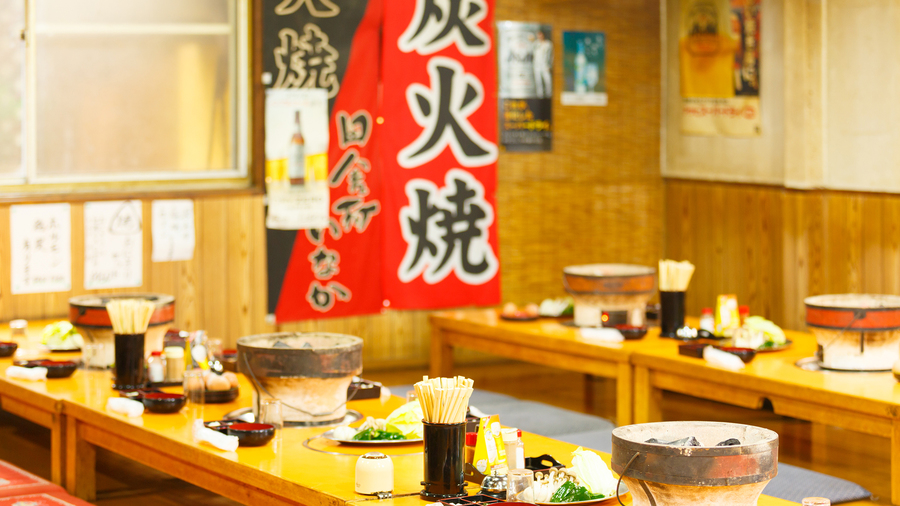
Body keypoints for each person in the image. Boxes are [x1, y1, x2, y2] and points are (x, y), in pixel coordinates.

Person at [532, 30, 553, 98]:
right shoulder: (536, 44)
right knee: (538, 82)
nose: (539, 36)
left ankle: (549, 95)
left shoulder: (548, 44)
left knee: (548, 81)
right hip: (537, 66)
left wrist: (550, 65)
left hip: (545, 65)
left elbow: (551, 55)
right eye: (538, 35)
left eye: (541, 35)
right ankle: (540, 96)